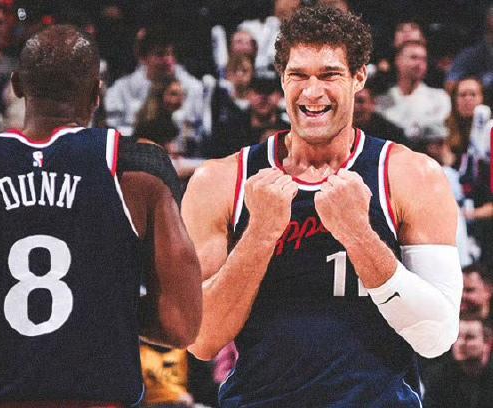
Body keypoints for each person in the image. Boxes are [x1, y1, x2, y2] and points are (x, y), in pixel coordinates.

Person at [182, 7, 462, 406]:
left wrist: (359, 234)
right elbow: (202, 339)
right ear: (282, 78)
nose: (312, 92)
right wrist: (259, 234)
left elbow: (436, 338)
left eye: (329, 75)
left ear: (358, 77)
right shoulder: (221, 181)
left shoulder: (410, 175)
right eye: (299, 75)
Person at [0, 24, 202, 407]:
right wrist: (99, 305)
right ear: (97, 92)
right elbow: (181, 323)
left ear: (16, 85)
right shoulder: (138, 168)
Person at [375, 40, 451, 142]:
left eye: (423, 59)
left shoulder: (440, 98)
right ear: (398, 60)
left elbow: (439, 133)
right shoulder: (383, 100)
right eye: (414, 58)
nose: (419, 63)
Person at [422, 317, 493, 408]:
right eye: (457, 337)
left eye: (469, 337)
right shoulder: (440, 376)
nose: (461, 343)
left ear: (487, 342)